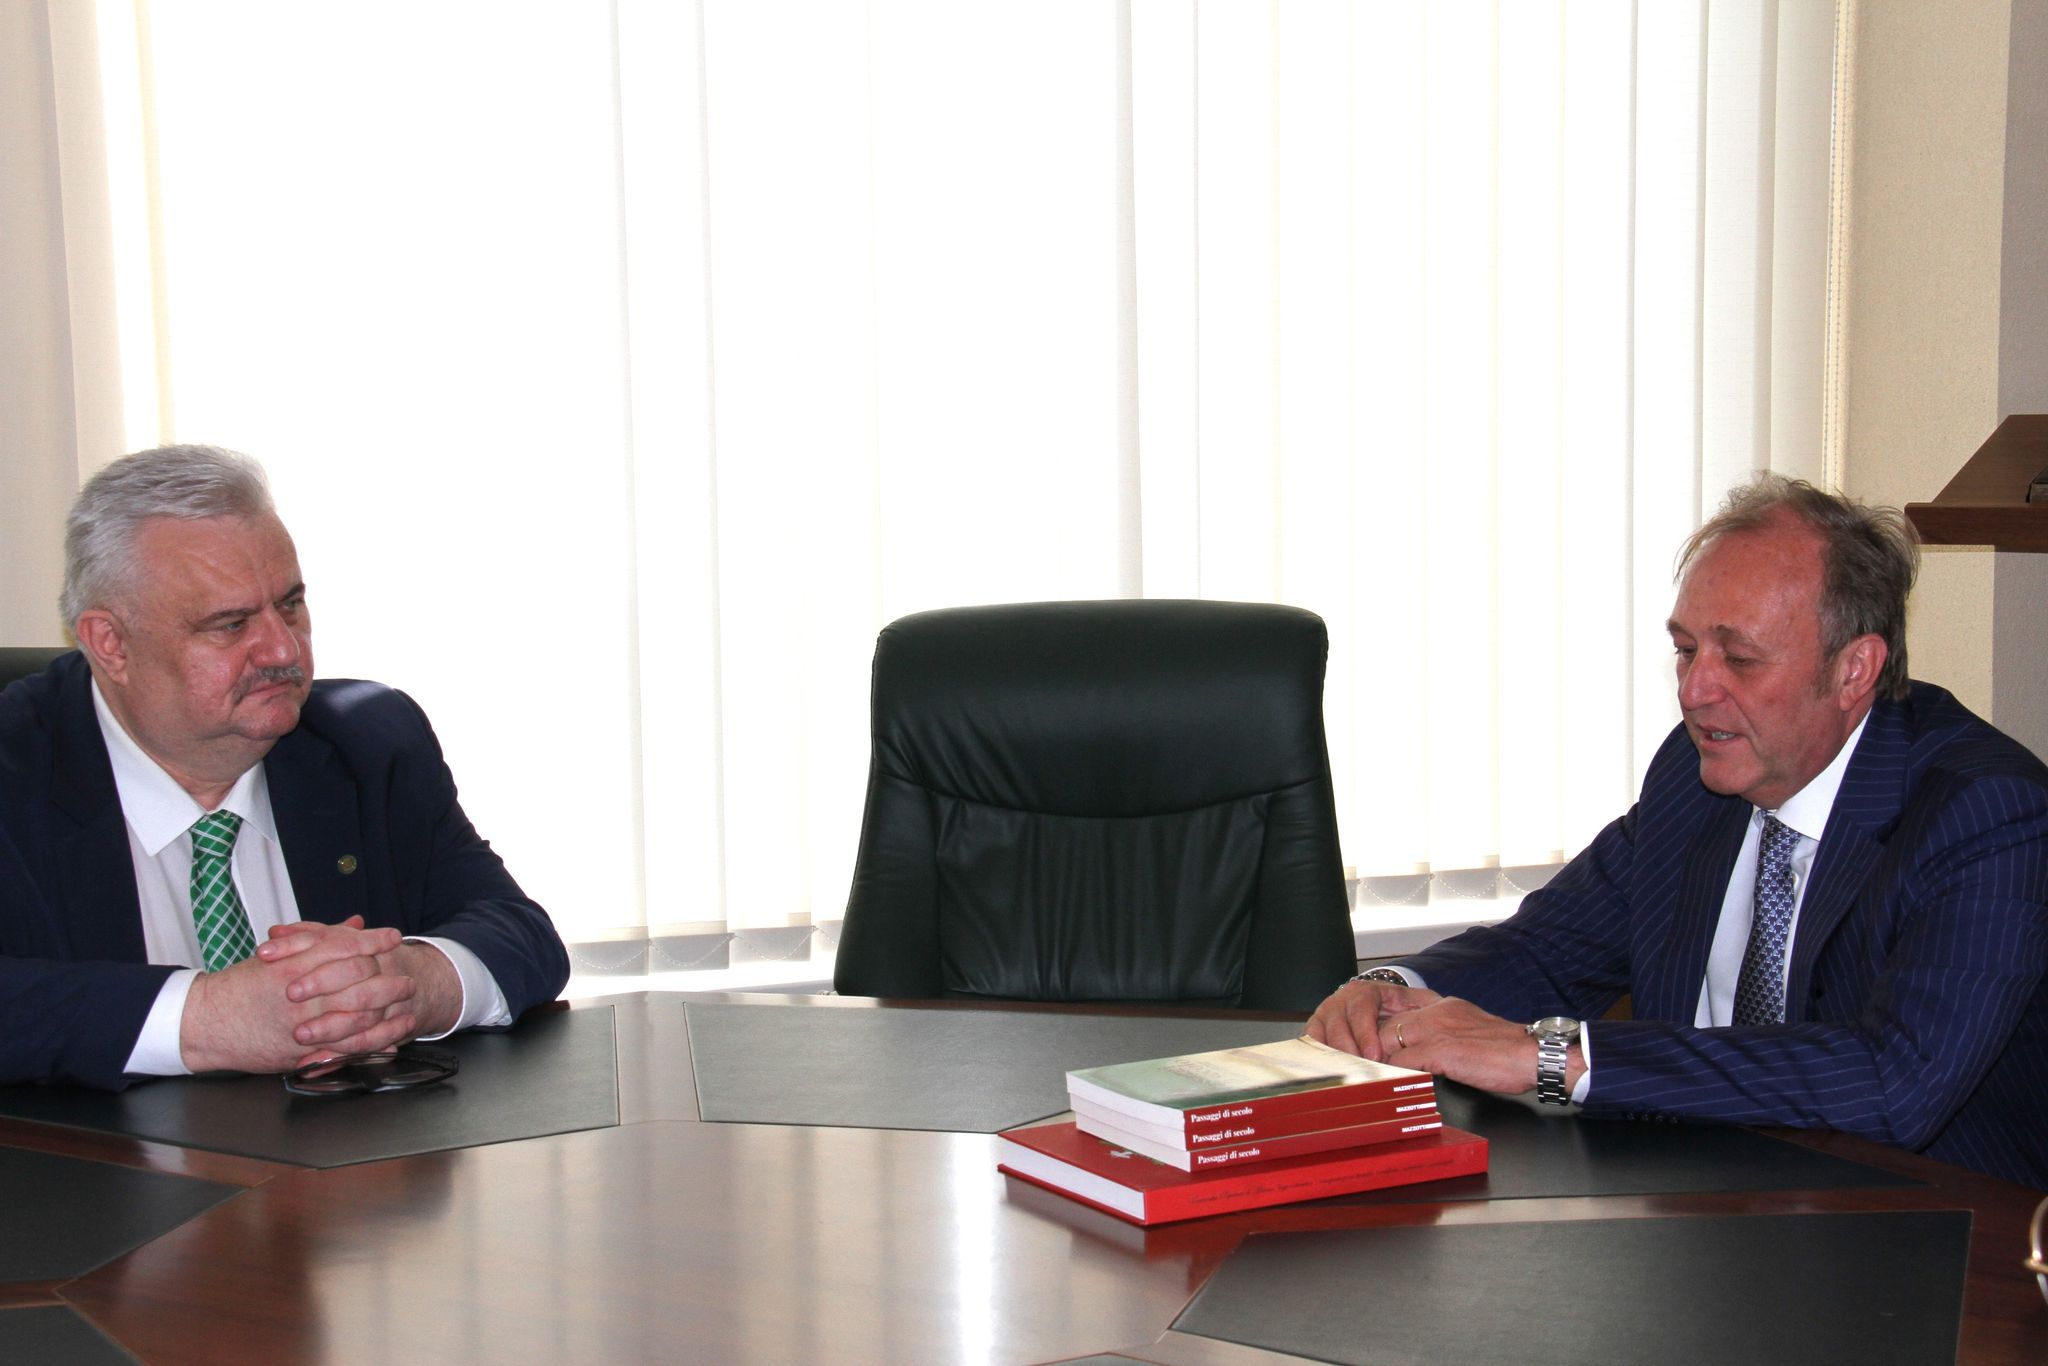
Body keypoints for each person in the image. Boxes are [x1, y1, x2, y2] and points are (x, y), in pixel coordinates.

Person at [1308, 474, 2048, 1187]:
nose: (1695, 692)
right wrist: (1391, 991)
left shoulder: (1986, 814)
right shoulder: (1698, 774)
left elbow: (1893, 1082)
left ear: (1854, 670)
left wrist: (1552, 1056)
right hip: (1691, 1195)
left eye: (1740, 658)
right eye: (1686, 650)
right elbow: (1552, 948)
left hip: (1931, 1226)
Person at [0, 444, 569, 1089]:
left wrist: (410, 985)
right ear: (111, 644)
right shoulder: (17, 768)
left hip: (345, 1148)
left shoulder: (367, 741)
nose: (281, 649)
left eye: (290, 604)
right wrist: (206, 1018)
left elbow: (522, 935)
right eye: (230, 624)